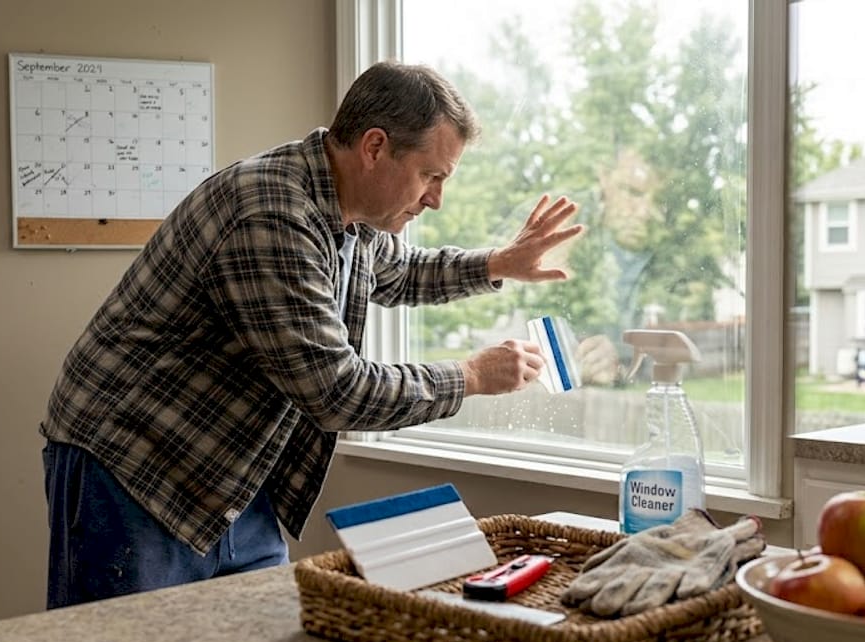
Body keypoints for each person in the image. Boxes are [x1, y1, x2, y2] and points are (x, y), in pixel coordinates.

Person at [40, 60, 585, 609]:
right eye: (431, 175)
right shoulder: (273, 211)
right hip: (134, 466)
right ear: (375, 147)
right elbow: (335, 391)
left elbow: (401, 272)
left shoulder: (352, 214)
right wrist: (470, 377)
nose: (436, 198)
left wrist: (500, 262)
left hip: (231, 477)